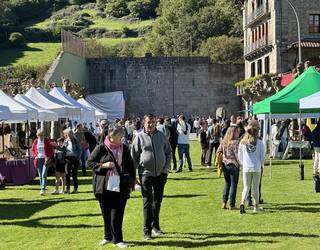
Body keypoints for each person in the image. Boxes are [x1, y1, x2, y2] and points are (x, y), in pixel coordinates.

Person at [87, 124, 135, 248]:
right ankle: (107, 237)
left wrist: (133, 181)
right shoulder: (101, 148)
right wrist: (103, 165)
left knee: (117, 214)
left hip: (121, 185)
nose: (122, 138)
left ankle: (118, 240)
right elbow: (89, 163)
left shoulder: (124, 148)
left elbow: (130, 165)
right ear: (112, 136)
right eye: (120, 136)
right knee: (106, 213)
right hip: (103, 186)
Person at [131, 113, 171, 240]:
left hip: (160, 174)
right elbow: (133, 158)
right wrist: (133, 176)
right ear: (144, 122)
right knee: (147, 202)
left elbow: (168, 152)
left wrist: (166, 168)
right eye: (149, 122)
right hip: (146, 174)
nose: (151, 124)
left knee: (157, 201)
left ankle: (155, 226)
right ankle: (146, 230)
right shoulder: (139, 137)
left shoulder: (161, 136)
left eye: (153, 122)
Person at [238, 121, 266, 214]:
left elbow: (239, 156)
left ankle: (242, 202)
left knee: (246, 187)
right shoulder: (260, 143)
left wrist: (243, 163)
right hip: (256, 167)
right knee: (255, 188)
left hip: (246, 167)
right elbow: (262, 156)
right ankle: (256, 206)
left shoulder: (242, 143)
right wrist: (261, 164)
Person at [217, 126, 240, 210]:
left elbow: (218, 151)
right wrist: (241, 164)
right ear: (233, 133)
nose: (238, 133)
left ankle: (224, 202)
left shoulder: (224, 141)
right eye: (237, 132)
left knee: (227, 184)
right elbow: (237, 155)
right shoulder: (235, 142)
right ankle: (232, 204)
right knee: (234, 185)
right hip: (233, 165)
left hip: (224, 164)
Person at [31, 129, 54, 195]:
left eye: (41, 135)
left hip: (45, 159)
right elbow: (32, 150)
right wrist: (35, 156)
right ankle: (42, 187)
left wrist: (48, 157)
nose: (40, 137)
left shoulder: (46, 140)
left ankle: (43, 189)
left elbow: (51, 150)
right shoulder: (35, 141)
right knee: (40, 175)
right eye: (39, 135)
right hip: (38, 160)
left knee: (44, 174)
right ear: (37, 135)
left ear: (43, 135)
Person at [63, 129, 81, 194]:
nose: (65, 135)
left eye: (66, 134)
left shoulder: (75, 140)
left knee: (74, 174)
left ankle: (75, 189)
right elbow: (63, 149)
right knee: (67, 174)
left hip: (74, 158)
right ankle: (67, 189)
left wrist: (78, 158)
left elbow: (79, 149)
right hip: (67, 158)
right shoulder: (65, 141)